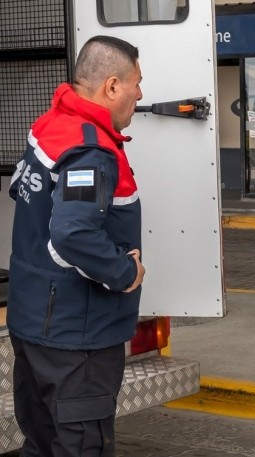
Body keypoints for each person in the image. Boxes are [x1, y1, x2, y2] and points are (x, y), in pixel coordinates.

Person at [7, 35, 145, 457]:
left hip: (35, 325)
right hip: (76, 337)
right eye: (137, 83)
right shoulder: (90, 150)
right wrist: (125, 274)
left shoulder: (50, 125)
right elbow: (74, 234)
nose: (140, 95)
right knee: (80, 446)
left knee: (42, 443)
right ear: (112, 86)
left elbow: (20, 190)